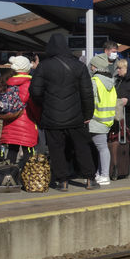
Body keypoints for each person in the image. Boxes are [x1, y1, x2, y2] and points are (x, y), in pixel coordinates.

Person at [29, 31, 97, 191]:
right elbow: (87, 93)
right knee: (82, 147)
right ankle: (89, 179)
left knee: (56, 149)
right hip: (76, 116)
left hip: (52, 117)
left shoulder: (43, 66)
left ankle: (62, 181)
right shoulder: (79, 66)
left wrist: (45, 104)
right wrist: (88, 114)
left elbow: (35, 92)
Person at [0, 57, 38, 164]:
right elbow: (33, 106)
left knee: (12, 150)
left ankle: (9, 172)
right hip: (27, 122)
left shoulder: (8, 83)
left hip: (10, 121)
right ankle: (27, 173)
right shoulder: (30, 84)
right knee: (28, 152)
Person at [88, 55, 119, 185]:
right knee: (102, 148)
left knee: (101, 148)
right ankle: (100, 173)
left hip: (96, 119)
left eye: (92, 65)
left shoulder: (95, 81)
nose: (90, 67)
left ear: (95, 67)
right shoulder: (110, 82)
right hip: (107, 119)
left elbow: (90, 100)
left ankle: (104, 175)